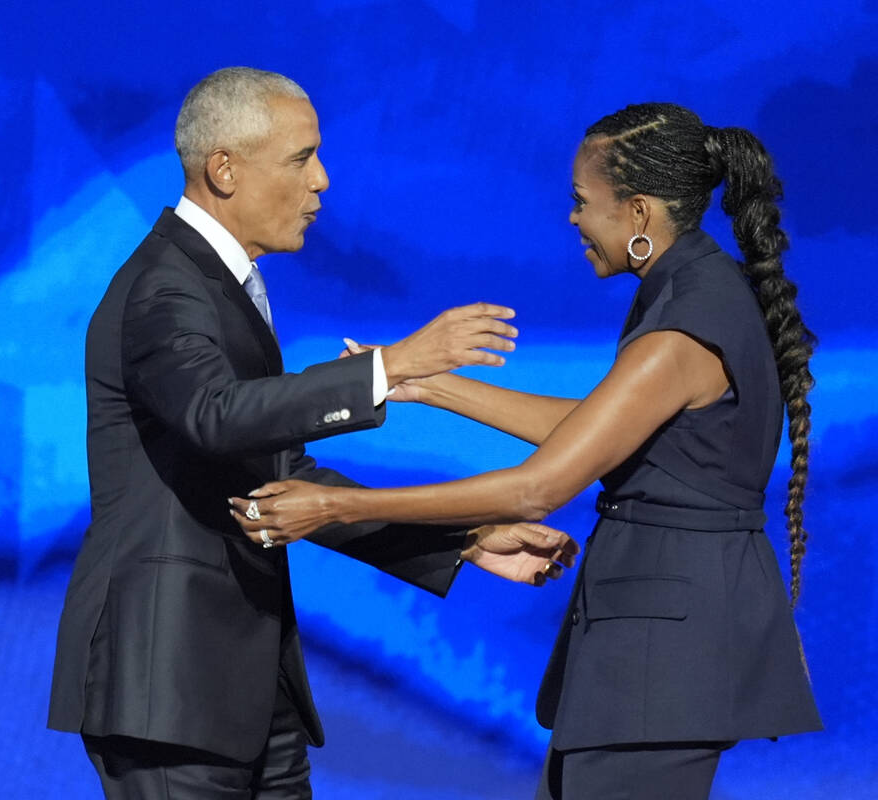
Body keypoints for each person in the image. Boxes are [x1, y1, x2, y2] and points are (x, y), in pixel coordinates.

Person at [230, 102, 824, 799]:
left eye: (582, 202)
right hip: (655, 653)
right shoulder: (692, 291)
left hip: (663, 660)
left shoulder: (685, 324)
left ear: (638, 214)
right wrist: (435, 387)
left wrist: (335, 503)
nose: (573, 219)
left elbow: (537, 489)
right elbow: (606, 424)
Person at [47, 66, 578, 800]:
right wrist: (389, 369)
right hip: (168, 689)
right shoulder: (165, 287)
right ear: (223, 169)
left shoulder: (220, 287)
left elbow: (283, 477)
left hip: (249, 691)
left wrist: (462, 539)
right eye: (301, 159)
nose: (322, 180)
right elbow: (217, 413)